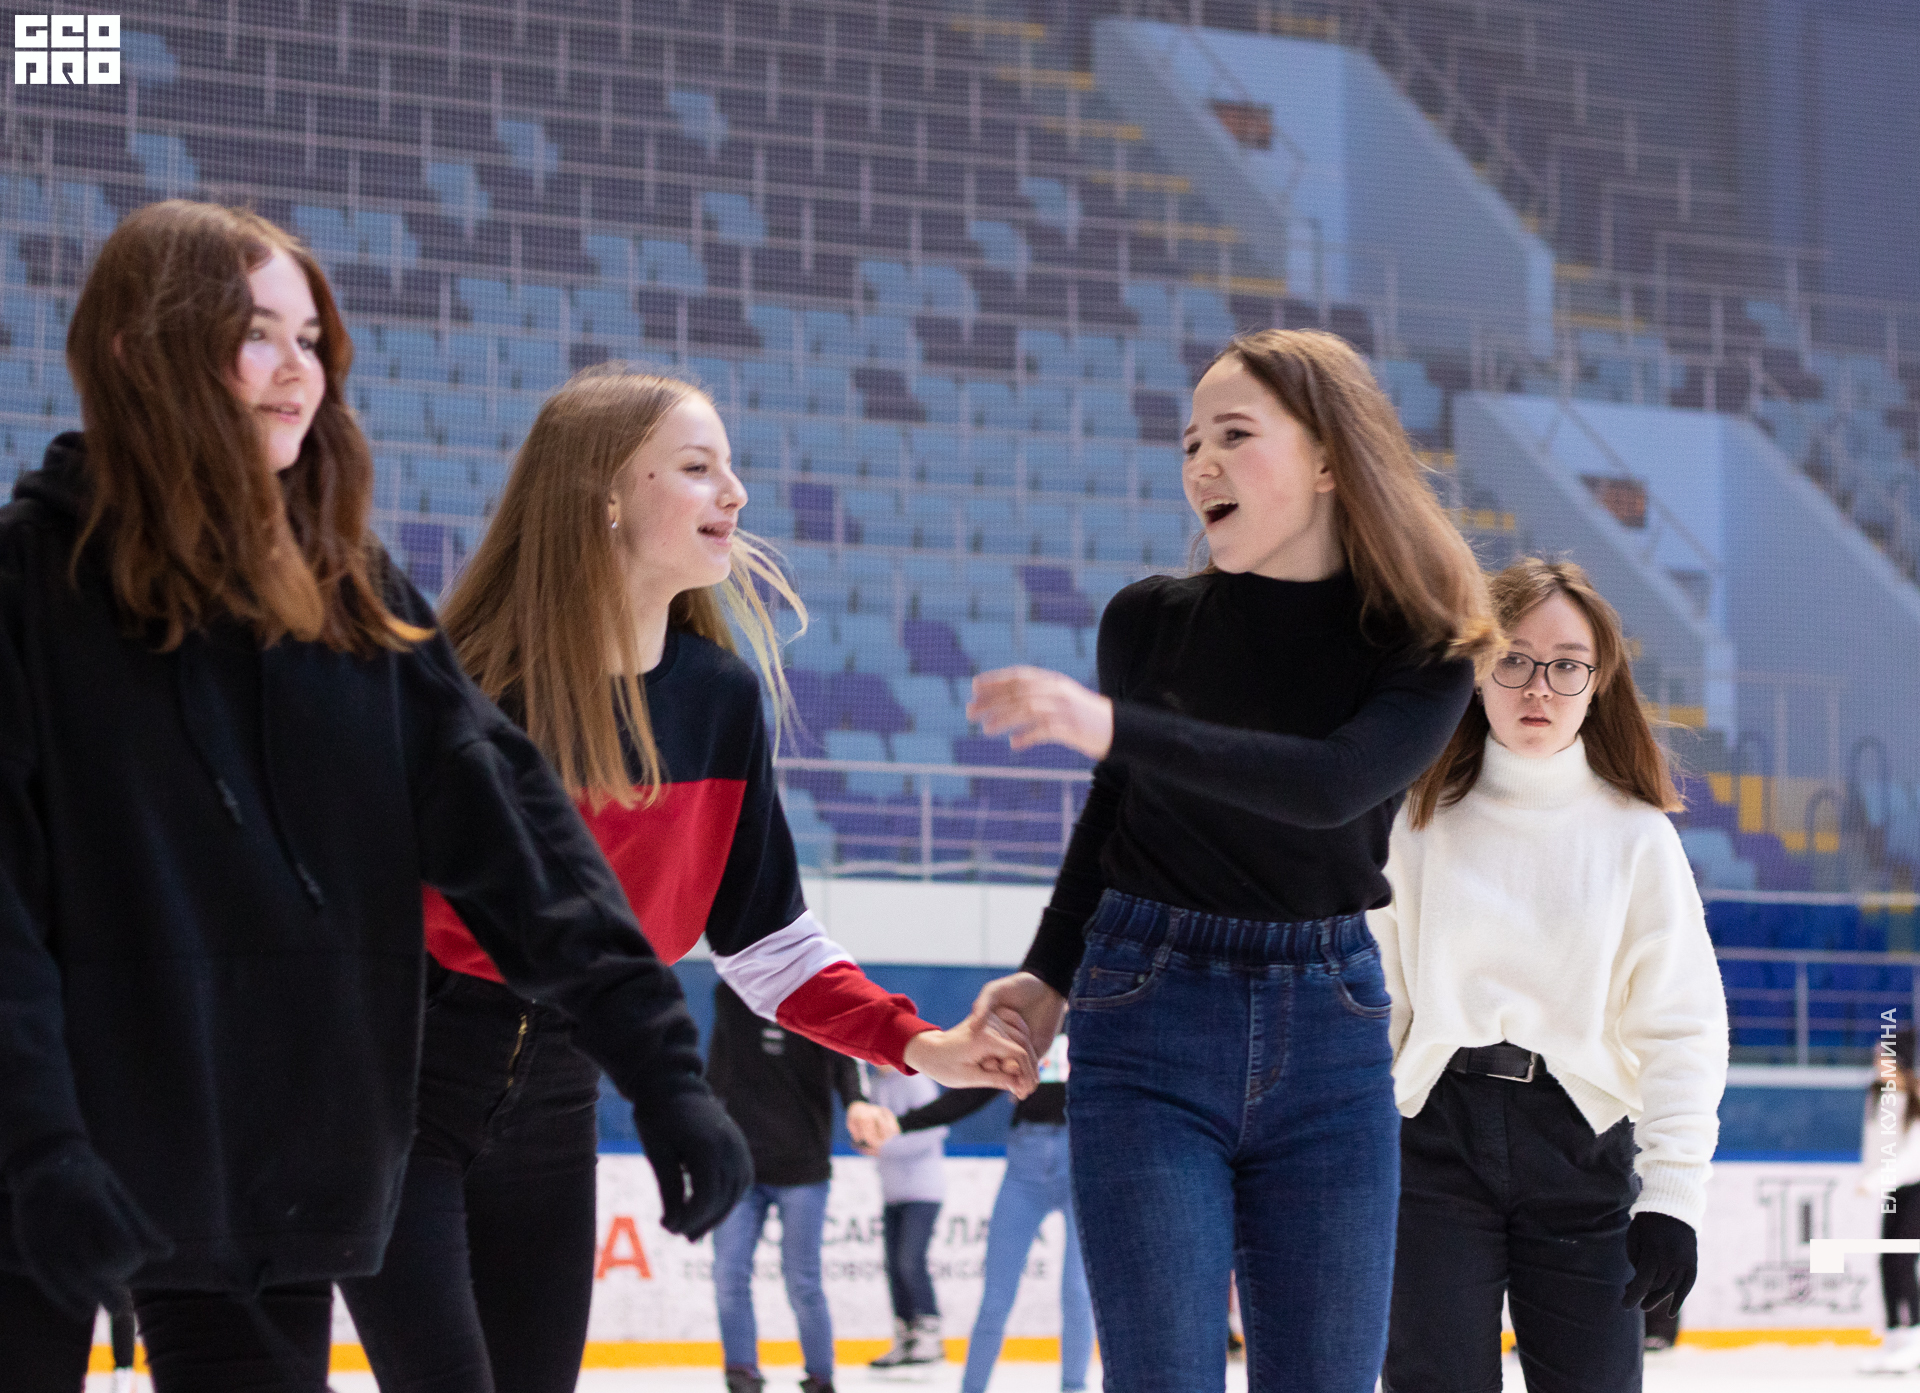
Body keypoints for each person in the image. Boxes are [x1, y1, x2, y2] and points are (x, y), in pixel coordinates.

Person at [0, 202, 751, 1393]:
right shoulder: (27, 594)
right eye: (256, 333)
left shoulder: (349, 599)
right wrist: (35, 1150)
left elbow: (517, 839)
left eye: (310, 338)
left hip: (261, 1191)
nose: (297, 368)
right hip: (45, 1172)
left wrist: (661, 1068)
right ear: (139, 351)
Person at [338, 364, 1035, 1393]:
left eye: (729, 468)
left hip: (560, 1101)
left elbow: (769, 943)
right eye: (700, 467)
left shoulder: (722, 700)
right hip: (399, 1089)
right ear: (607, 495)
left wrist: (920, 1042)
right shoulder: (463, 688)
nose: (736, 494)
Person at [964, 328, 1498, 1391]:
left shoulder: (1429, 646)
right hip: (1146, 1012)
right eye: (1190, 443)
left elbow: (1331, 786)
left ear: (1330, 458)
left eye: (1235, 435)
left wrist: (1111, 725)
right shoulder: (1146, 622)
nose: (1201, 463)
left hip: (1332, 1029)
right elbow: (1113, 815)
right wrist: (1047, 973)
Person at [1371, 557, 1730, 1393]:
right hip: (1430, 1140)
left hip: (1582, 1145)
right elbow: (1373, 1003)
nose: (1539, 685)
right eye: (1515, 659)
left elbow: (1683, 1024)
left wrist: (1672, 1197)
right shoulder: (1414, 817)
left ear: (1598, 682)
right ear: (1476, 668)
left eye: (1567, 664)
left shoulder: (1637, 836)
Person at [708, 981, 895, 1393]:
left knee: (802, 1280)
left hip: (804, 1166)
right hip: (741, 1167)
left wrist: (857, 1102)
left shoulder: (816, 992)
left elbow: (846, 1060)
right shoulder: (730, 992)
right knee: (728, 1274)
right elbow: (719, 1063)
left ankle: (820, 1377)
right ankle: (741, 1373)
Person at [891, 1033, 1092, 1393]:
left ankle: (1074, 1387)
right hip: (1025, 1167)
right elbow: (972, 1093)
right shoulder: (1031, 1027)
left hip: (1080, 1163)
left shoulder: (1096, 1023)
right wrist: (901, 1124)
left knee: (1077, 1291)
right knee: (996, 1296)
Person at [863, 1061, 949, 1371]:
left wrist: (884, 1148)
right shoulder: (877, 1084)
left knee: (910, 1261)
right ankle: (906, 1335)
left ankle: (930, 1334)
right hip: (893, 1191)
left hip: (923, 1190)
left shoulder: (916, 1081)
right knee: (894, 1266)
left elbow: (936, 1128)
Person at [1860, 1028, 1920, 1373]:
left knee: (1902, 1260)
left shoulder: (1915, 1099)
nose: (1876, 1062)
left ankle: (1914, 1336)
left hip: (1916, 1188)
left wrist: (1875, 1181)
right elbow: (1875, 1148)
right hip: (1894, 1189)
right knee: (1887, 1261)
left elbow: (1913, 1157)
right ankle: (1895, 1336)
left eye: (1882, 1056)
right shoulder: (1879, 1097)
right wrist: (1873, 1178)